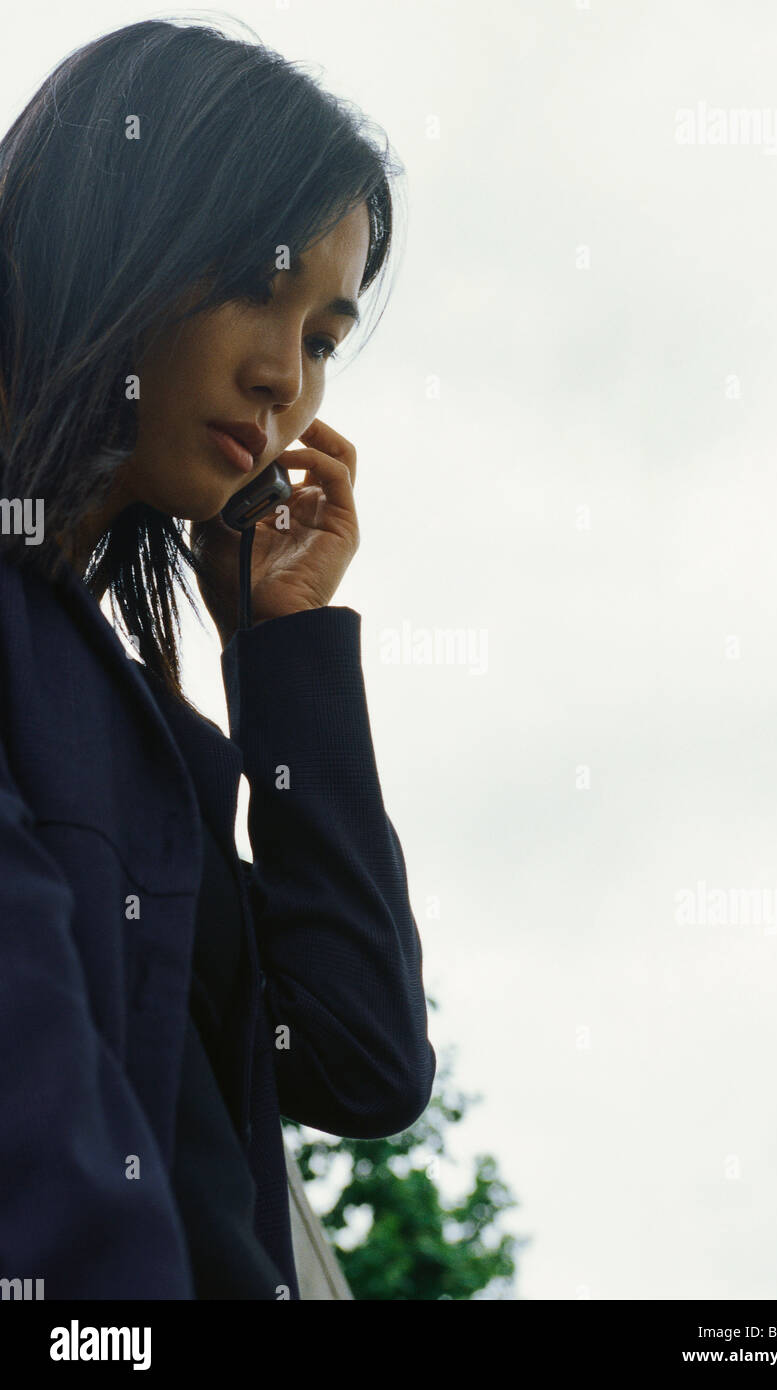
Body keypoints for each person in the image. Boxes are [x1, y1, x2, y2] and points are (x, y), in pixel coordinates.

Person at [0, 17, 436, 1300]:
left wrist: (286, 648)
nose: (280, 380)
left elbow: (357, 1058)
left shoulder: (136, 723)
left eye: (321, 340)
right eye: (257, 283)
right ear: (108, 230)